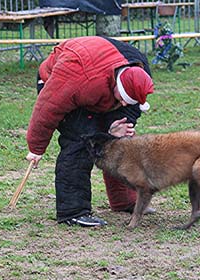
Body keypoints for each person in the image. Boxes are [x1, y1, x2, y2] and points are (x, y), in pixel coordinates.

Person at [26, 36, 155, 227]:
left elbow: (130, 107)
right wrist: (36, 147)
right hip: (58, 80)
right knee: (80, 142)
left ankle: (124, 199)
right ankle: (73, 211)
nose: (124, 105)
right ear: (117, 86)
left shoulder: (140, 69)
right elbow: (47, 107)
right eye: (122, 99)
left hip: (99, 82)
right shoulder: (77, 77)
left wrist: (118, 128)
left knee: (121, 140)